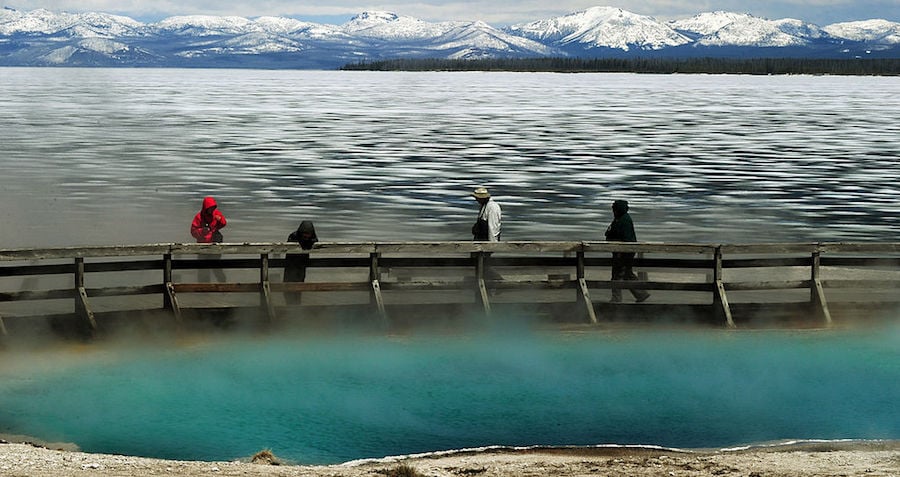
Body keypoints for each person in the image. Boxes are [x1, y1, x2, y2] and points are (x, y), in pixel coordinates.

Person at [604, 199, 650, 303]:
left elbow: (626, 239)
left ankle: (616, 299)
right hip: (622, 251)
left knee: (617, 275)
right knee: (627, 274)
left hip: (623, 252)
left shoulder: (624, 220)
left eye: (614, 209)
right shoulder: (619, 219)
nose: (613, 211)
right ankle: (641, 294)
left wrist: (622, 251)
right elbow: (609, 232)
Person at [190, 196, 227, 282]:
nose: (211, 210)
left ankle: (222, 284)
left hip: (215, 244)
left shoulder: (216, 213)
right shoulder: (199, 217)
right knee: (202, 268)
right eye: (209, 208)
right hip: (203, 246)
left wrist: (220, 219)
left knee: (216, 266)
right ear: (205, 208)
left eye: (212, 208)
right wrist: (202, 231)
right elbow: (193, 232)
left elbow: (223, 224)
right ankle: (203, 289)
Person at [471, 187, 502, 283]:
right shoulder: (484, 206)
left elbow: (493, 227)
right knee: (480, 265)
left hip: (486, 242)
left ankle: (498, 283)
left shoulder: (492, 207)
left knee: (484, 266)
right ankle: (485, 284)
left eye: (477, 198)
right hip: (480, 242)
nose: (476, 200)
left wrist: (492, 245)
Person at [284, 221, 318, 305]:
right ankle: (290, 305)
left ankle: (296, 305)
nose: (306, 236)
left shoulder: (313, 237)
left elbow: (316, 241)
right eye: (305, 233)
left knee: (299, 287)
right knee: (288, 286)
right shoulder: (293, 236)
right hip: (291, 265)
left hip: (302, 265)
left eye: (308, 234)